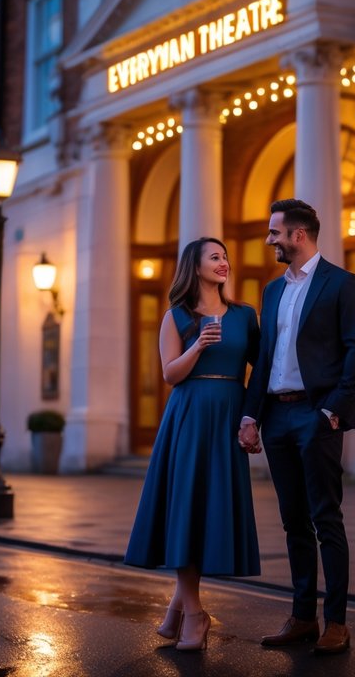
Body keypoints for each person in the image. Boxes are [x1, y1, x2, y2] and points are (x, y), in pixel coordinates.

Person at [238, 199, 355, 656]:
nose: (269, 240)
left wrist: (332, 410)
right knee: (292, 521)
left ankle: (336, 621)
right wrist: (251, 415)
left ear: (298, 235)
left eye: (275, 233)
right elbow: (267, 361)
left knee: (325, 519)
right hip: (277, 417)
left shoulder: (342, 284)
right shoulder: (273, 292)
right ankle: (301, 618)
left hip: (317, 416)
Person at [125, 236, 261, 652]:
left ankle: (177, 610)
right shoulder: (176, 317)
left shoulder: (244, 315)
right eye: (215, 257)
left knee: (210, 511)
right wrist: (199, 345)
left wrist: (253, 418)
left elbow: (263, 368)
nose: (224, 263)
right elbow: (170, 374)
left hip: (227, 414)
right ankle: (196, 614)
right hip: (188, 416)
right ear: (195, 266)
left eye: (226, 257)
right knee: (187, 510)